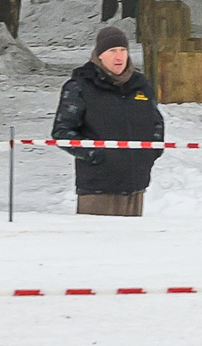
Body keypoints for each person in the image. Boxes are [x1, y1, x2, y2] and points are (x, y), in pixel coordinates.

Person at [53, 25, 165, 216]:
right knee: (96, 236)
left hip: (135, 187)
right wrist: (96, 154)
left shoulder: (141, 86)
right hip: (98, 189)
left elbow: (156, 123)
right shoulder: (80, 86)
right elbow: (62, 131)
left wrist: (151, 152)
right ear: (100, 55)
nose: (119, 56)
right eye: (112, 50)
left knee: (132, 236)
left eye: (123, 50)